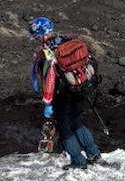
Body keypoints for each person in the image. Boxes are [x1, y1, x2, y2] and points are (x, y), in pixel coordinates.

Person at [27, 16, 103, 169]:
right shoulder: (67, 40)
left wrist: (48, 102)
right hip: (81, 88)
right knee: (77, 121)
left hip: (62, 94)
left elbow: (49, 78)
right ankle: (94, 154)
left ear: (40, 34)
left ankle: (78, 161)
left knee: (64, 128)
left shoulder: (46, 52)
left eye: (35, 35)